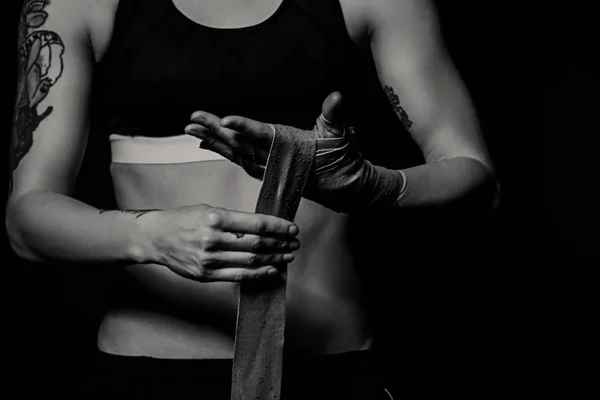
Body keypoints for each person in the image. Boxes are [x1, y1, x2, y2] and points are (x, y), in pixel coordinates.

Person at [7, 0, 499, 398]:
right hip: (147, 369)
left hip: (332, 367)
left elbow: (476, 178)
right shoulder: (79, 4)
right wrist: (151, 236)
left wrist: (373, 186)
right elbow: (28, 217)